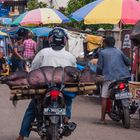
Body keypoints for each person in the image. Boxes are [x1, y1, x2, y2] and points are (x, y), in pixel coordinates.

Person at [16, 27, 77, 140]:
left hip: (44, 87)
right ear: (64, 41)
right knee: (68, 101)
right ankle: (66, 119)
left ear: (50, 39)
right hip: (62, 87)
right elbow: (73, 73)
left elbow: (34, 69)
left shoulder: (43, 53)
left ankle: (21, 136)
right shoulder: (70, 56)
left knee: (32, 110)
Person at [96, 36, 131, 124]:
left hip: (109, 78)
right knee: (127, 92)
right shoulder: (119, 51)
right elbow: (128, 62)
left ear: (105, 43)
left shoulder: (102, 52)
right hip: (123, 77)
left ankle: (102, 119)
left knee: (104, 97)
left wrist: (98, 74)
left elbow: (99, 67)